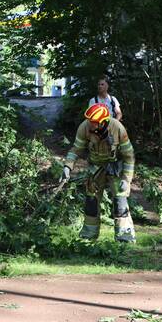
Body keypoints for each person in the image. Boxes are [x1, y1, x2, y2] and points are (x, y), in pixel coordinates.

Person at [62, 103, 136, 242]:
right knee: (91, 202)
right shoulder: (84, 127)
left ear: (103, 122)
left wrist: (126, 180)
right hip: (95, 168)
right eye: (89, 121)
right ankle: (88, 237)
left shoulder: (117, 128)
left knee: (120, 202)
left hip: (115, 168)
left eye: (93, 122)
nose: (90, 124)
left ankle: (124, 238)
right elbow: (76, 150)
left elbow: (129, 156)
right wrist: (67, 167)